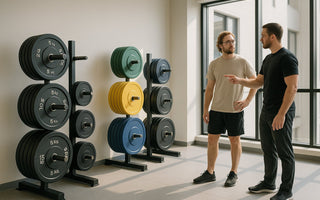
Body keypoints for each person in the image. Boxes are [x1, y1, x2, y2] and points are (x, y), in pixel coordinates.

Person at [225, 23, 298, 200]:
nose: (260, 39)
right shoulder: (268, 59)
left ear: (273, 37)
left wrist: (281, 114)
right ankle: (269, 182)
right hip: (266, 111)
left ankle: (286, 190)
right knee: (268, 149)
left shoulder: (287, 58)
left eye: (263, 35)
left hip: (281, 112)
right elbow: (258, 82)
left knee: (284, 152)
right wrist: (239, 81)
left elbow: (292, 87)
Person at [193, 31, 257, 187]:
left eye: (233, 41)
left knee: (235, 141)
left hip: (235, 110)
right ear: (220, 45)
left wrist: (248, 100)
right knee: (211, 140)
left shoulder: (242, 62)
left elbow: (255, 81)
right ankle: (210, 172)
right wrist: (205, 109)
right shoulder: (214, 64)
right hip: (216, 109)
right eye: (228, 41)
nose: (232, 44)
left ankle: (233, 173)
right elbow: (209, 89)